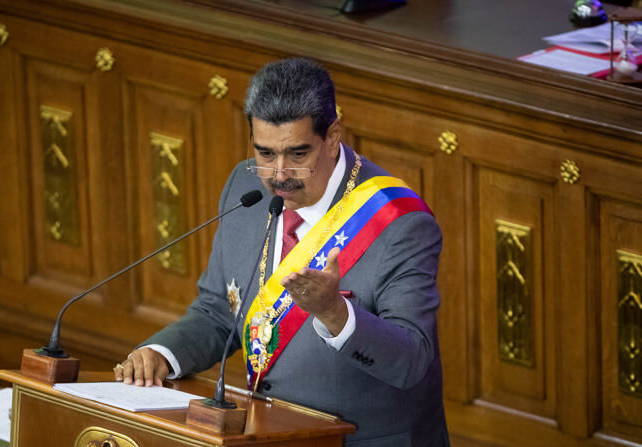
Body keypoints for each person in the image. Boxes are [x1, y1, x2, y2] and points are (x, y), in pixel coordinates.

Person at [114, 58, 449, 446]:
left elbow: (412, 361)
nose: (278, 175)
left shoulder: (399, 223)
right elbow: (218, 312)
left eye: (298, 155)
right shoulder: (247, 187)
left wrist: (335, 314)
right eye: (266, 153)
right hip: (268, 434)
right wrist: (161, 354)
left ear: (333, 136)